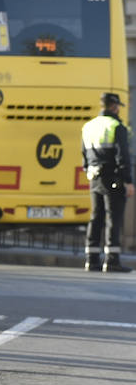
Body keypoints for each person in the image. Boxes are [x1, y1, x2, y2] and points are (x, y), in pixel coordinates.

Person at [81, 91, 135, 273]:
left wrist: (89, 170)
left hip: (94, 177)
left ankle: (91, 259)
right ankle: (112, 261)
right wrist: (128, 181)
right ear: (114, 106)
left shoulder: (88, 126)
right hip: (113, 178)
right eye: (118, 106)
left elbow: (84, 157)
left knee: (96, 217)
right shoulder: (116, 126)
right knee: (113, 218)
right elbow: (123, 156)